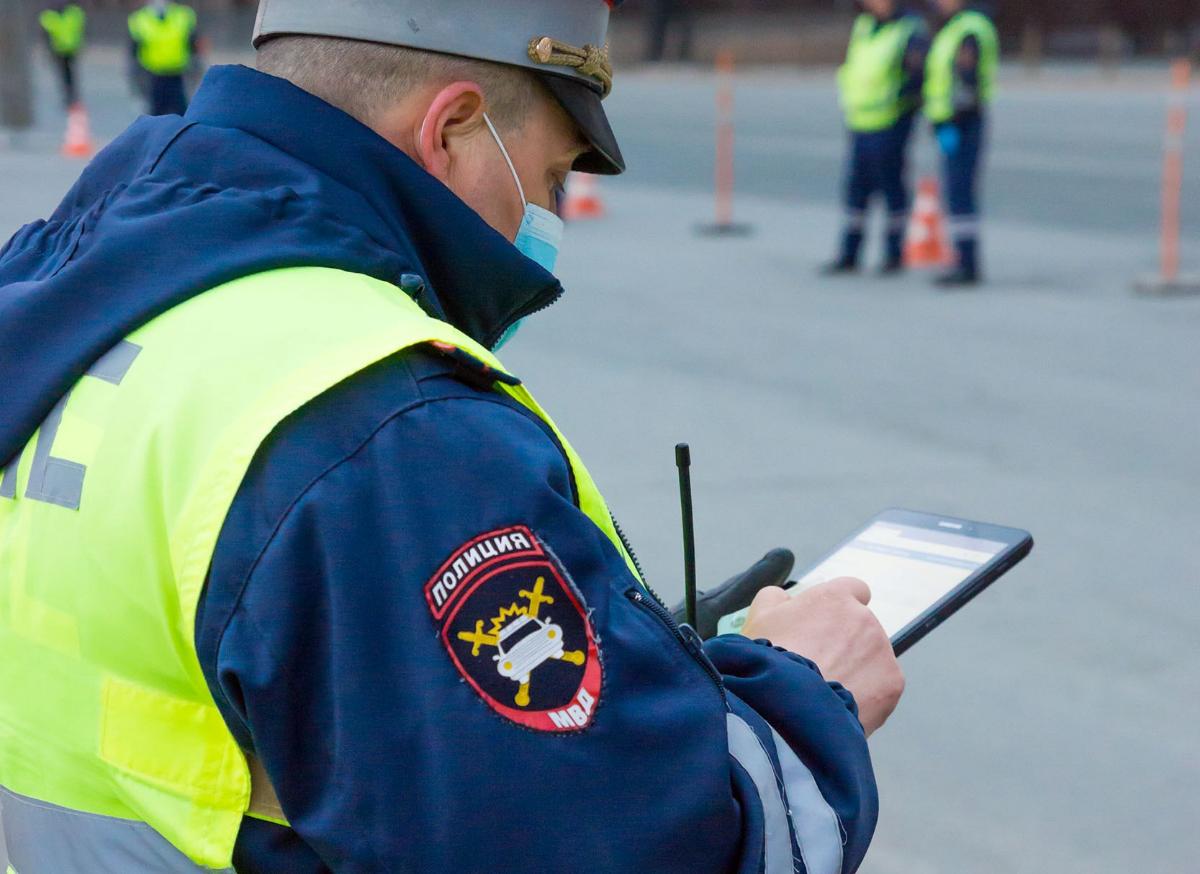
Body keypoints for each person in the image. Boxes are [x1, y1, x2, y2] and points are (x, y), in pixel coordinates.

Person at [0, 1, 904, 871]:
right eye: (550, 179)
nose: (544, 224)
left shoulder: (80, 289)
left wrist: (624, 669)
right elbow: (644, 848)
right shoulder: (385, 428)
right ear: (453, 130)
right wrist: (804, 694)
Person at [824, 0, 928, 276]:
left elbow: (917, 76)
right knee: (856, 188)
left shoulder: (908, 30)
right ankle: (850, 253)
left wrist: (903, 105)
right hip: (860, 120)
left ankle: (894, 253)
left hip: (891, 121)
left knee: (891, 185)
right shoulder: (864, 26)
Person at [924, 0, 999, 286]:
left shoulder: (968, 30)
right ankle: (962, 258)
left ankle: (967, 263)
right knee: (956, 192)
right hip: (952, 123)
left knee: (961, 192)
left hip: (963, 123)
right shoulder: (953, 28)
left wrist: (949, 121)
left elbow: (967, 84)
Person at [127, 0, 200, 116]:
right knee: (156, 117)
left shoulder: (184, 16)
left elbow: (195, 49)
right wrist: (137, 85)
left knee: (182, 117)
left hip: (178, 75)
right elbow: (133, 54)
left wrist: (196, 73)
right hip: (152, 76)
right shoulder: (139, 19)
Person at [38, 2, 86, 108]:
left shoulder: (52, 16)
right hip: (62, 50)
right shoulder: (72, 13)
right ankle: (70, 95)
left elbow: (81, 30)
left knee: (67, 74)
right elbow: (46, 36)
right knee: (66, 74)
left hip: (67, 49)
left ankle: (71, 95)